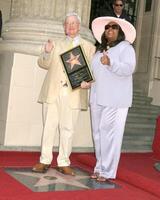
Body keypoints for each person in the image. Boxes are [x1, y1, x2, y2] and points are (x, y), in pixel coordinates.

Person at [32, 12, 95, 175]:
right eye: (68, 24)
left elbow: (93, 72)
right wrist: (46, 52)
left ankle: (63, 162)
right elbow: (43, 63)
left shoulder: (89, 47)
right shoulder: (56, 43)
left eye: (74, 23)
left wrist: (89, 82)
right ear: (64, 27)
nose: (71, 26)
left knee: (68, 129)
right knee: (49, 127)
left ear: (79, 26)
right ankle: (44, 160)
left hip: (73, 93)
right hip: (53, 91)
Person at [90, 16, 136, 182]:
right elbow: (95, 73)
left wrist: (111, 63)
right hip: (97, 97)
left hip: (116, 99)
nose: (110, 29)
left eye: (114, 27)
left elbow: (129, 68)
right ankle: (99, 167)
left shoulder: (126, 48)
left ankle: (108, 171)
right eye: (107, 27)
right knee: (98, 134)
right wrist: (87, 82)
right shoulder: (100, 49)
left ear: (120, 32)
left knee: (110, 135)